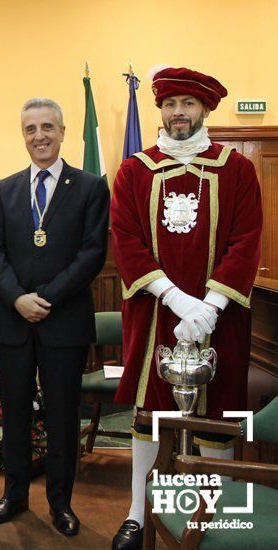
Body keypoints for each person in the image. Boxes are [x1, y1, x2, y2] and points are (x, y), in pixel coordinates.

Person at [109, 68, 263, 550]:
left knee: (215, 414)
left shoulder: (236, 169)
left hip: (221, 317)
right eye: (170, 103)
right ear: (160, 110)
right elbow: (127, 241)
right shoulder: (135, 169)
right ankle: (137, 512)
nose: (178, 113)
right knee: (148, 414)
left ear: (206, 110)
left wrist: (211, 308)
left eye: (188, 104)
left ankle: (205, 515)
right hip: (155, 314)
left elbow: (246, 241)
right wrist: (175, 299)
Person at [0, 98, 110, 536]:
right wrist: (19, 298)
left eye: (47, 127)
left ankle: (61, 504)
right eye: (31, 129)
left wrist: (46, 298)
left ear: (62, 131)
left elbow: (92, 253)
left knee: (60, 418)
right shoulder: (6, 189)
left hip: (64, 323)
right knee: (14, 415)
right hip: (14, 323)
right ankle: (14, 496)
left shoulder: (91, 186)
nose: (39, 136)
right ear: (23, 135)